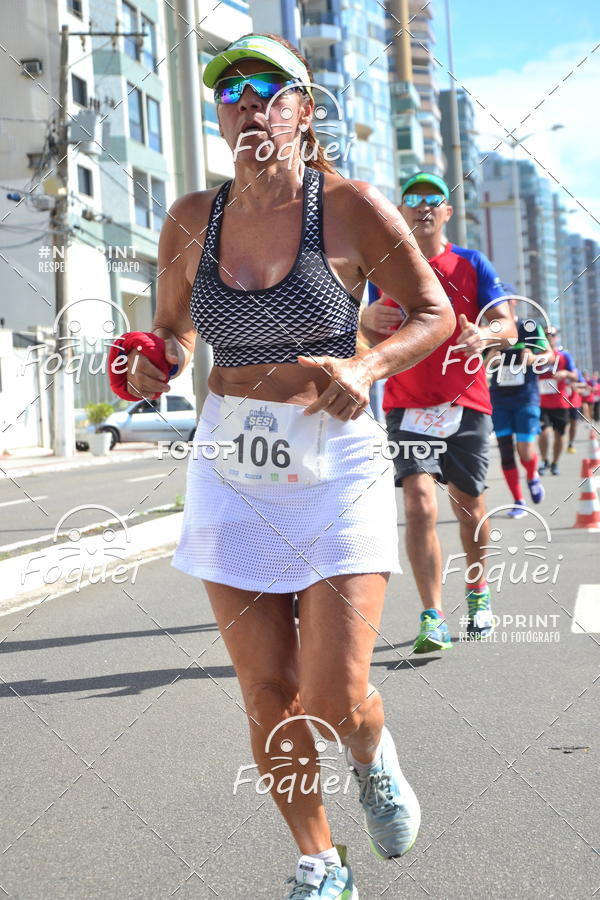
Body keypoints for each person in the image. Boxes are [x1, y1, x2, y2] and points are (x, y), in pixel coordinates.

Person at [116, 35, 455, 899]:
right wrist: (154, 359)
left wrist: (367, 368)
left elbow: (433, 314)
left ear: (306, 109)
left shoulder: (347, 209)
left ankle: (372, 759)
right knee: (267, 693)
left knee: (334, 696)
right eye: (231, 92)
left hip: (333, 462)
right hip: (233, 461)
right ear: (219, 115)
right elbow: (177, 330)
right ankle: (319, 863)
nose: (250, 103)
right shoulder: (192, 217)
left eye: (271, 89)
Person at [361, 173, 516, 654]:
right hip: (407, 403)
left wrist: (485, 336)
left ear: (447, 212)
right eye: (413, 199)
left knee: (468, 508)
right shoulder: (384, 269)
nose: (424, 205)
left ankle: (477, 591)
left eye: (435, 199)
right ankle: (432, 615)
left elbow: (509, 325)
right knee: (419, 505)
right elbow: (357, 335)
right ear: (402, 212)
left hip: (466, 403)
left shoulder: (472, 263)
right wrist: (364, 320)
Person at [487, 293, 554, 517]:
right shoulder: (490, 331)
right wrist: (491, 358)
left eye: (502, 301)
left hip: (526, 396)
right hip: (499, 399)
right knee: (506, 452)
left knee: (525, 450)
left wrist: (533, 358)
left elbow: (549, 354)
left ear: (513, 302)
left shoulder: (529, 327)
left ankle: (533, 474)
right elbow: (477, 365)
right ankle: (518, 500)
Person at [538, 328, 578, 475]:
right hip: (541, 403)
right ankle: (544, 461)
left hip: (560, 403)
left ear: (556, 338)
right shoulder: (537, 356)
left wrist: (565, 373)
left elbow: (575, 375)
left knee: (559, 435)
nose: (549, 338)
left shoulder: (564, 356)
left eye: (552, 335)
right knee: (544, 433)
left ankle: (554, 462)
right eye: (546, 335)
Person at [566, 367, 588, 453]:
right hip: (560, 402)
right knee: (562, 425)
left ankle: (571, 443)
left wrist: (576, 386)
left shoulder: (575, 371)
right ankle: (560, 441)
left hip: (574, 402)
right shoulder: (556, 369)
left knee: (573, 423)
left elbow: (584, 384)